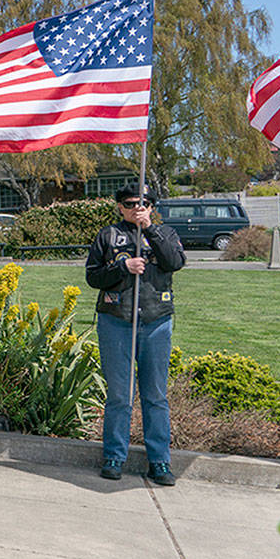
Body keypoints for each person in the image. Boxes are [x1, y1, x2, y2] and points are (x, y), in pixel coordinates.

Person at [86, 184, 185, 486]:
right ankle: (115, 455)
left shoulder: (165, 233)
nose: (136, 208)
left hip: (156, 321)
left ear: (152, 206)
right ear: (119, 206)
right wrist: (122, 267)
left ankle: (159, 462)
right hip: (116, 320)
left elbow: (174, 262)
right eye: (129, 204)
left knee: (155, 395)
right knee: (119, 394)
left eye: (143, 203)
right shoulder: (107, 235)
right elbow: (93, 276)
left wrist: (150, 231)